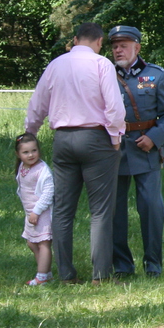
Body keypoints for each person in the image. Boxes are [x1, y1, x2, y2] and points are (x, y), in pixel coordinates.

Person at [25, 22, 126, 284]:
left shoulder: (56, 64)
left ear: (74, 39)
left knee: (62, 210)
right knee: (101, 210)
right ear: (100, 42)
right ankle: (100, 275)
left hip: (63, 139)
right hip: (95, 138)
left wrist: (30, 133)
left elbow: (38, 104)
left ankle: (66, 274)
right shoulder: (102, 64)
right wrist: (115, 136)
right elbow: (114, 107)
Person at [109, 25, 164, 279]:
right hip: (113, 148)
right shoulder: (103, 74)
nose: (118, 50)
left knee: (151, 208)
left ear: (137, 47)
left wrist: (154, 138)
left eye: (123, 45)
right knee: (115, 211)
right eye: (114, 46)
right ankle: (122, 266)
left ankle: (153, 265)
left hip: (146, 147)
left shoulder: (155, 75)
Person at [15, 133, 54, 286]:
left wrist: (37, 211)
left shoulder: (42, 169)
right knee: (32, 243)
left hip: (41, 212)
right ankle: (46, 273)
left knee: (43, 243)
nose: (31, 155)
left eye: (34, 150)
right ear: (18, 154)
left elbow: (48, 192)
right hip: (30, 213)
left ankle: (42, 277)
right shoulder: (22, 167)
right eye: (25, 152)